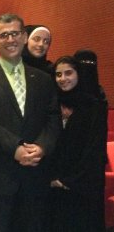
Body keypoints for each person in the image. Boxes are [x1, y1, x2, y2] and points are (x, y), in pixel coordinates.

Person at [0, 13, 61, 232]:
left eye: (15, 33)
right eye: (4, 35)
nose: (11, 40)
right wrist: (15, 148)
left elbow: (53, 119)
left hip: (35, 179)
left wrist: (43, 147)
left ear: (25, 36)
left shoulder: (44, 79)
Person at [48, 50, 108, 231]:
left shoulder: (93, 105)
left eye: (68, 73)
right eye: (58, 74)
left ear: (78, 74)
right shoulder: (52, 103)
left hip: (83, 185)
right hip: (55, 183)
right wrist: (53, 178)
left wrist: (70, 181)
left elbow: (94, 149)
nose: (63, 78)